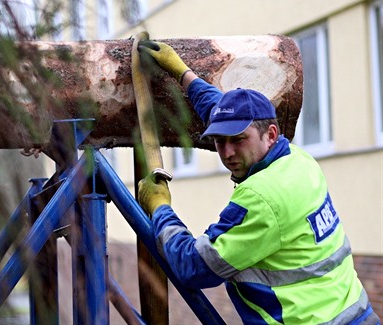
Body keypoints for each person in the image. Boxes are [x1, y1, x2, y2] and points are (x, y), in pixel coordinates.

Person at [136, 40, 380, 324]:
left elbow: (193, 267)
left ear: (271, 134)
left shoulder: (262, 197)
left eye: (238, 141)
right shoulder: (298, 161)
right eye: (219, 141)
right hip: (357, 314)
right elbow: (221, 110)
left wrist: (160, 208)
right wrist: (183, 73)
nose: (226, 153)